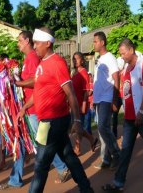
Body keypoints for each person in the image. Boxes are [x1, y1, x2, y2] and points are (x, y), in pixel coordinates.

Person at [17, 27, 93, 193]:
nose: (34, 46)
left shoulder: (57, 63)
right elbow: (38, 91)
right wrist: (24, 108)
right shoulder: (42, 64)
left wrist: (78, 121)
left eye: (37, 43)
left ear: (47, 43)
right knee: (69, 157)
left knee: (41, 164)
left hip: (53, 122)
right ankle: (86, 189)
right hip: (49, 121)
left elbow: (71, 94)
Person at [0, 31, 71, 191]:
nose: (18, 44)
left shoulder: (32, 58)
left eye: (19, 40)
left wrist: (16, 83)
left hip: (36, 109)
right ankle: (17, 179)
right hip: (29, 109)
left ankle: (63, 167)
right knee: (34, 142)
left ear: (27, 41)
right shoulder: (28, 59)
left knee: (43, 144)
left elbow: (36, 83)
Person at [101, 38, 143, 192]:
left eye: (123, 53)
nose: (122, 56)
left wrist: (141, 111)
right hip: (130, 116)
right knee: (126, 150)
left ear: (131, 50)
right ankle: (118, 182)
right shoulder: (128, 67)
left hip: (141, 115)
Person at [92, 31, 121, 170]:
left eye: (95, 41)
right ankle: (107, 159)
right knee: (102, 129)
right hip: (99, 99)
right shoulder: (99, 59)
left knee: (103, 127)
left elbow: (116, 78)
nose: (94, 44)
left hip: (107, 98)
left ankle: (117, 155)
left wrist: (115, 100)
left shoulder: (110, 57)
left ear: (102, 42)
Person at [72, 52, 98, 156]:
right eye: (73, 59)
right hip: (74, 105)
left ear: (82, 60)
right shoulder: (74, 73)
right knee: (78, 128)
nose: (75, 61)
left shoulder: (84, 73)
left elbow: (86, 91)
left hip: (80, 105)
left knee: (78, 128)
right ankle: (91, 139)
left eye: (77, 59)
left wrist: (83, 105)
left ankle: (77, 149)